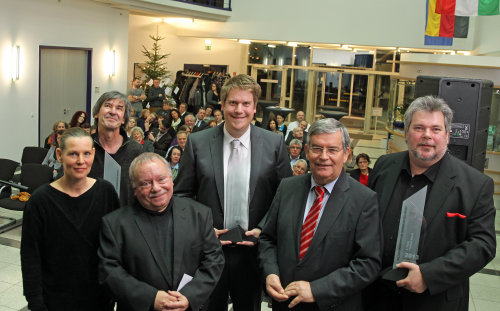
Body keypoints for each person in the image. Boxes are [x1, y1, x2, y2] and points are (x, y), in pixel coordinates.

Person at [363, 96, 497, 311]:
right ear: (406, 133)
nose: (427, 135)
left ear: (447, 134)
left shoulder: (475, 185)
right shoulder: (384, 167)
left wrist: (429, 275)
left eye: (436, 129)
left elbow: (483, 245)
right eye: (419, 128)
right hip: (376, 295)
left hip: (434, 300)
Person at [174, 74, 292, 311]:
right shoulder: (198, 143)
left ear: (255, 108)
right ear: (223, 105)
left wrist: (264, 228)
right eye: (233, 103)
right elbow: (182, 195)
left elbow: (286, 196)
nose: (239, 110)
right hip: (208, 250)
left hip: (253, 252)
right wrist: (203, 229)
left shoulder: (274, 144)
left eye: (246, 103)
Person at [259, 118, 382, 311]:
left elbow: (368, 264)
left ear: (346, 154)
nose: (324, 156)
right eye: (317, 149)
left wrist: (317, 290)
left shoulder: (364, 200)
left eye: (332, 149)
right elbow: (268, 239)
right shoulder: (287, 187)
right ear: (306, 152)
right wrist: (270, 272)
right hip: (284, 303)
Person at [98, 153, 225, 311]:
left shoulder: (199, 214)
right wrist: (151, 298)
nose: (156, 188)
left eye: (161, 179)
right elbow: (109, 271)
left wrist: (189, 295)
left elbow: (214, 260)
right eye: (146, 183)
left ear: (172, 179)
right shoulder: (115, 224)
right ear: (134, 188)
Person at [21, 127, 120, 311]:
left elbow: (117, 246)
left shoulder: (106, 192)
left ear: (93, 154)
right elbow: (30, 257)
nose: (81, 161)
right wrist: (35, 302)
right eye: (73, 154)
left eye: (86, 154)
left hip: (98, 298)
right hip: (55, 299)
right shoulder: (40, 201)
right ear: (59, 154)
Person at [89, 91, 143, 206]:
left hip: (125, 220)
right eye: (108, 106)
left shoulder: (136, 151)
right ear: (96, 114)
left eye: (119, 108)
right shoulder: (83, 147)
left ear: (124, 119)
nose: (113, 112)